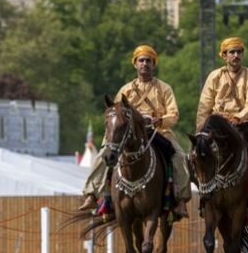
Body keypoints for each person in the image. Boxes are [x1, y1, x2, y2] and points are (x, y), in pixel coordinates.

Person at [79, 45, 191, 218]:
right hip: (129, 136)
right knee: (103, 155)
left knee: (180, 156)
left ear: (154, 64)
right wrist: (107, 141)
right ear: (135, 64)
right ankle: (92, 195)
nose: (145, 64)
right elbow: (114, 116)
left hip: (158, 132)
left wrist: (160, 120)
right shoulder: (126, 90)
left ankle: (181, 200)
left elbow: (174, 114)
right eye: (141, 60)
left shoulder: (164, 88)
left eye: (148, 61)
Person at [196, 37, 248, 225]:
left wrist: (239, 117)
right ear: (224, 55)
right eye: (232, 52)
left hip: (244, 122)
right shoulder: (214, 76)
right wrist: (200, 130)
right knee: (196, 153)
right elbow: (204, 106)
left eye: (239, 52)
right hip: (217, 123)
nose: (236, 55)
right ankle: (202, 195)